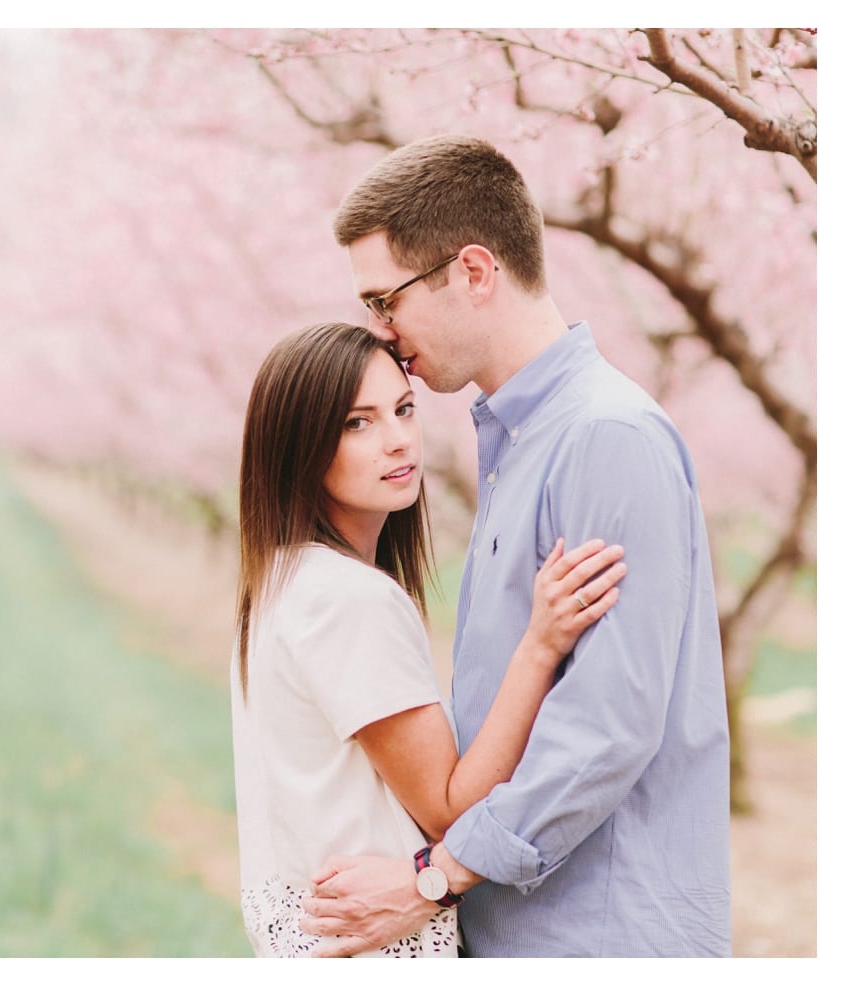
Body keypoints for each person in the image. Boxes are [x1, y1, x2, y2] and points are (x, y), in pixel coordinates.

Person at [298, 134, 731, 957]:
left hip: (600, 937)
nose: (381, 333)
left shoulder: (605, 436)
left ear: (473, 271)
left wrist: (435, 876)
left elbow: (607, 726)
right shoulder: (519, 440)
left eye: (385, 300)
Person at [230, 321, 626, 957]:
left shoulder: (283, 579)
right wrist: (541, 644)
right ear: (299, 446)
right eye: (357, 423)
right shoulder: (347, 598)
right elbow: (450, 810)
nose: (397, 441)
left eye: (404, 409)